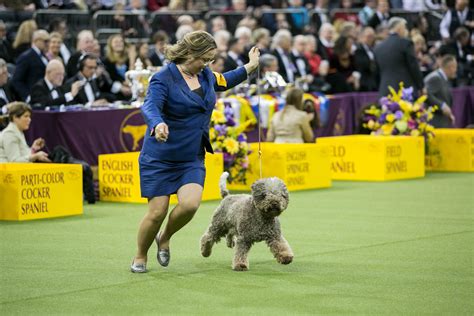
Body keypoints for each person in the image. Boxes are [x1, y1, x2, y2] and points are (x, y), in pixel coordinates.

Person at [131, 30, 260, 273]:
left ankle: (165, 237)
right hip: (160, 155)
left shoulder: (206, 75)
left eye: (210, 60)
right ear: (190, 53)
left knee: (190, 205)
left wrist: (250, 67)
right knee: (157, 212)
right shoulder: (163, 78)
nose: (208, 64)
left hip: (191, 155)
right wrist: (157, 124)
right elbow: (150, 106)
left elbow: (226, 79)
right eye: (205, 58)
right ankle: (140, 255)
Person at [0, 102, 96, 203]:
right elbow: (14, 162)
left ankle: (79, 175)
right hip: (10, 175)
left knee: (59, 151)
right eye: (26, 116)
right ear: (15, 118)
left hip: (22, 169)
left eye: (29, 116)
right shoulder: (10, 134)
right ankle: (79, 180)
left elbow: (22, 157)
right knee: (59, 155)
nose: (29, 120)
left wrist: (33, 149)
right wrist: (36, 155)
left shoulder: (17, 131)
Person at [374, 17, 423, 96]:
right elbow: (413, 66)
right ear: (399, 28)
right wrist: (421, 86)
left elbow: (376, 72)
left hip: (385, 90)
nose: (406, 31)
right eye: (404, 28)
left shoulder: (378, 47)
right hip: (405, 90)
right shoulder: (405, 43)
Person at [424, 55, 457, 128]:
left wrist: (449, 114)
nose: (456, 70)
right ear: (451, 67)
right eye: (455, 67)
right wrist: (442, 106)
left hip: (440, 123)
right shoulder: (435, 78)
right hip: (433, 124)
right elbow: (425, 95)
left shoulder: (443, 78)